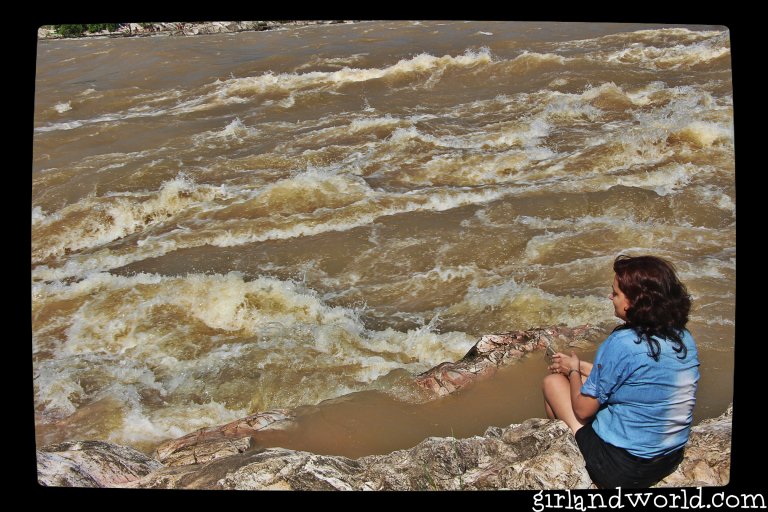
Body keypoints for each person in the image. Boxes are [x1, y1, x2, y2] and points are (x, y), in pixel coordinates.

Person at [541, 254, 700, 488]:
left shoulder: (622, 343)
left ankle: (565, 442)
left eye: (615, 293)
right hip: (669, 458)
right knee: (585, 380)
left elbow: (583, 410)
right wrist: (581, 367)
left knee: (553, 382)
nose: (610, 297)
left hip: (623, 469)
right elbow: (635, 376)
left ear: (634, 302)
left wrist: (574, 371)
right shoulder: (683, 337)